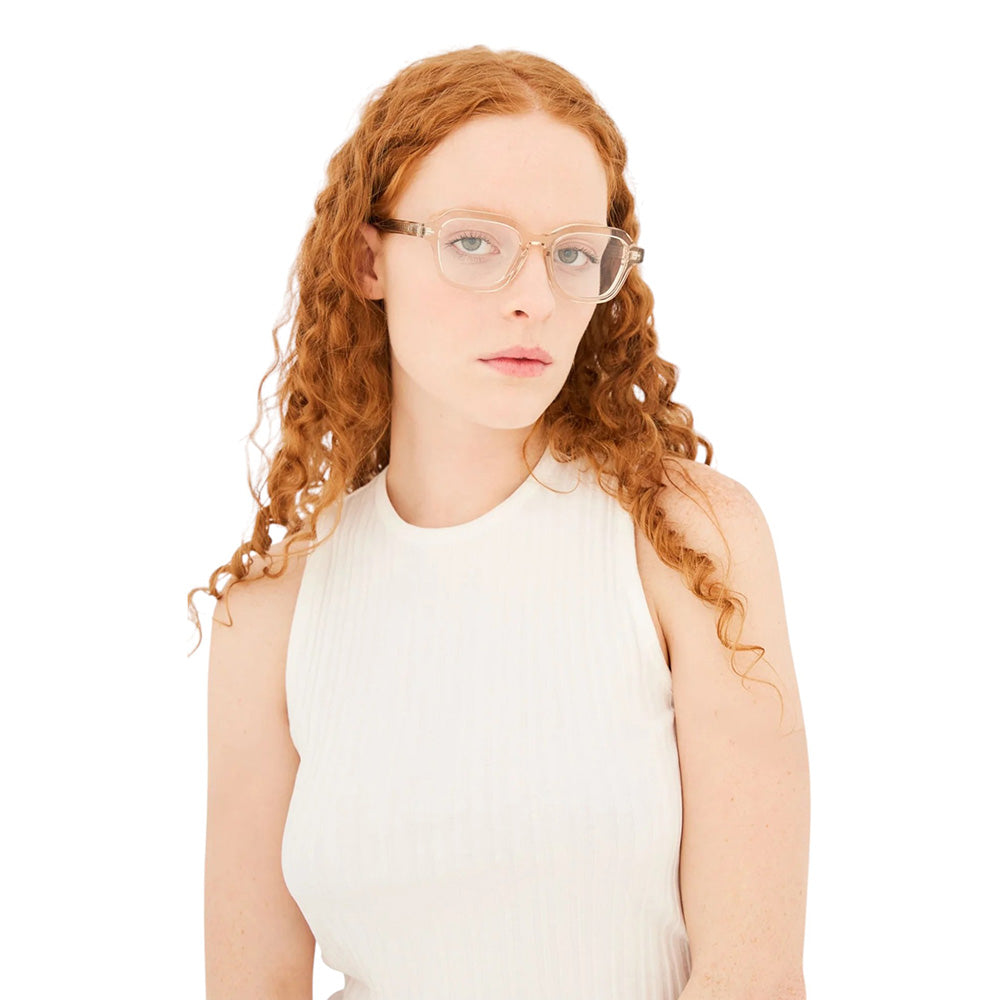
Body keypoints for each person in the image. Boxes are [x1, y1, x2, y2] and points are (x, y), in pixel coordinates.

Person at [189, 46, 810, 1000]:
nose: (534, 297)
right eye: (474, 242)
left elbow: (753, 976)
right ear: (367, 259)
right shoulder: (271, 614)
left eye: (572, 252)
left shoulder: (685, 541)